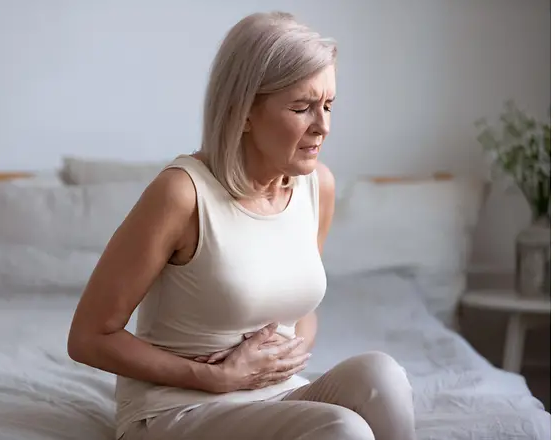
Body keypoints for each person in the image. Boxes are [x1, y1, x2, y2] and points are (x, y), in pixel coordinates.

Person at [67, 11, 416, 440]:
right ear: (244, 111)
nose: (322, 126)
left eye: (328, 105)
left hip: (274, 395)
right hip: (178, 408)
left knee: (382, 375)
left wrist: (286, 356)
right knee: (343, 429)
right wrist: (214, 377)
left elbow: (300, 309)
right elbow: (88, 336)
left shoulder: (316, 187)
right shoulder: (182, 194)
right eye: (302, 107)